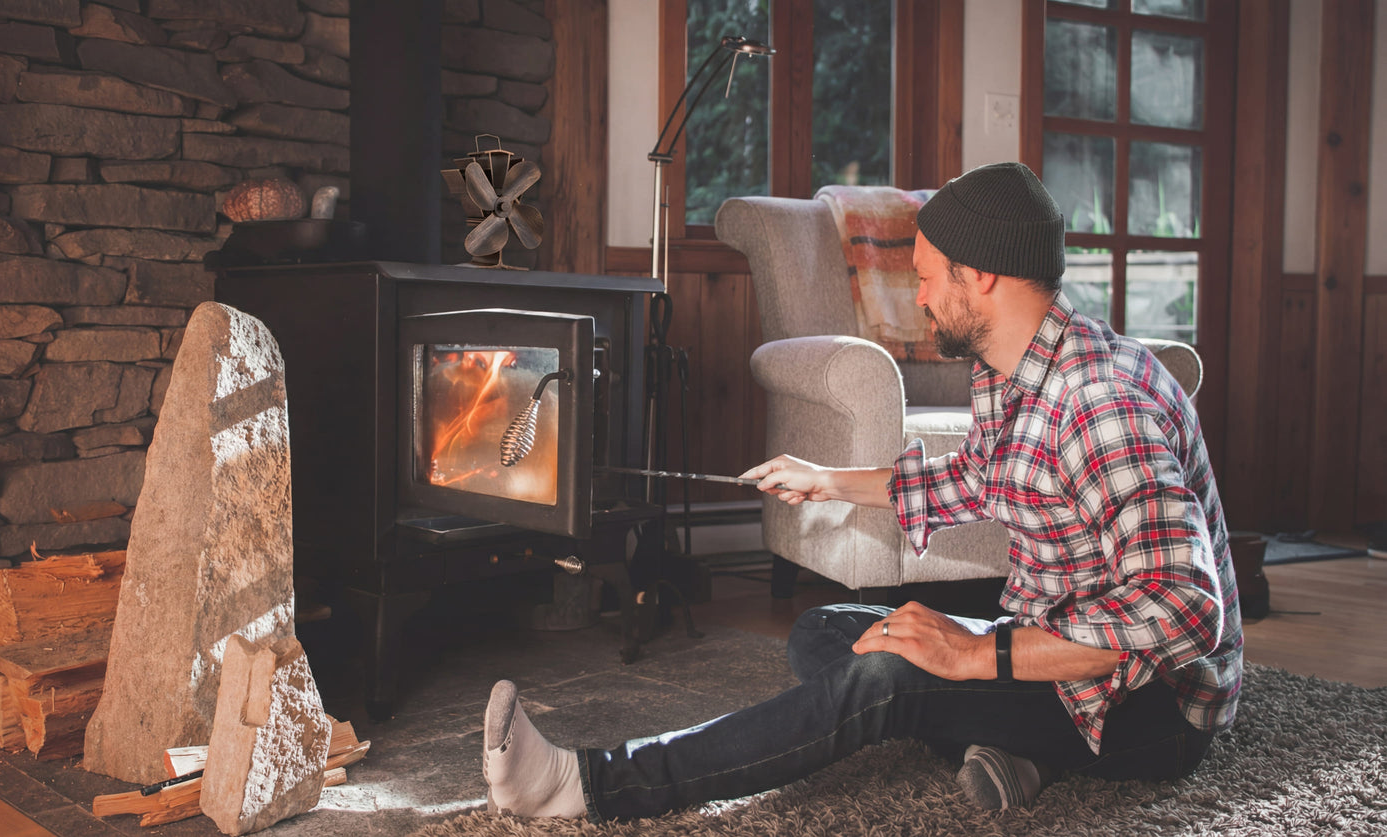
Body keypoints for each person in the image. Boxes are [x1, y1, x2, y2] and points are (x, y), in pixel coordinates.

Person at [480, 161, 1242, 821]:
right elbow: (976, 474)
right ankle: (1022, 749)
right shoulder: (1013, 364)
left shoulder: (1101, 402)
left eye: (927, 277)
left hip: (1149, 707)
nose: (919, 299)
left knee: (883, 676)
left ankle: (591, 783)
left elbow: (1183, 609)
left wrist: (978, 653)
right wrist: (826, 480)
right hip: (1052, 625)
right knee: (828, 632)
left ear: (981, 275)